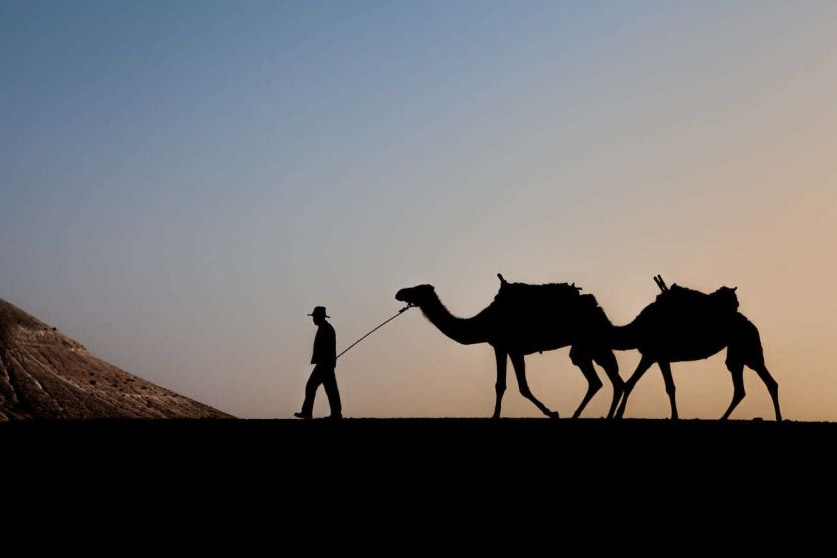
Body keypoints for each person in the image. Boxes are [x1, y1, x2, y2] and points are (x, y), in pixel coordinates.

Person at [294, 306, 342, 419]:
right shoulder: (325, 328)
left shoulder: (326, 329)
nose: (313, 319)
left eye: (315, 317)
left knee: (312, 386)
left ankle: (307, 412)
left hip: (324, 364)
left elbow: (327, 348)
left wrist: (327, 361)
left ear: (319, 317)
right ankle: (336, 414)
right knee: (331, 389)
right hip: (326, 364)